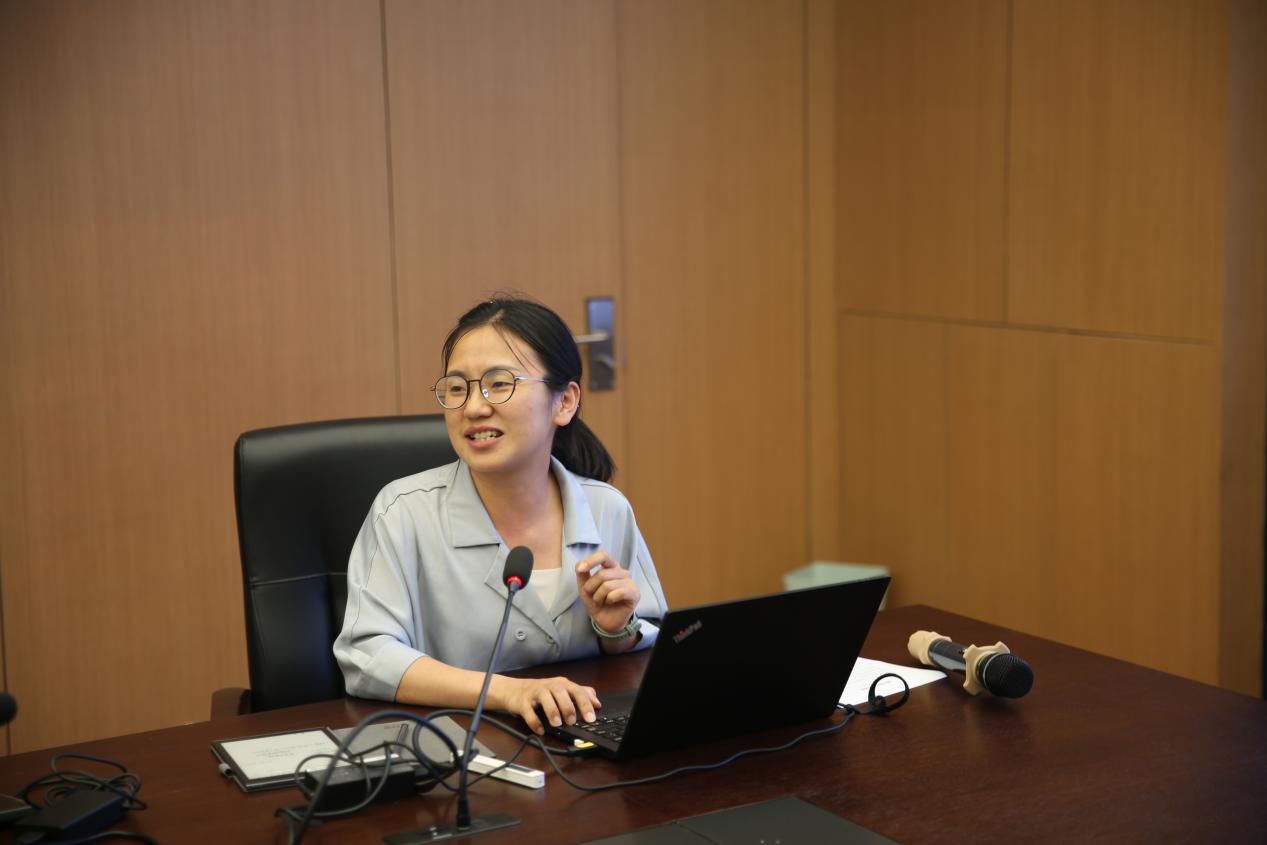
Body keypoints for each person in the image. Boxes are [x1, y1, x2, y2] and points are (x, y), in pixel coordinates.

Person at [334, 297, 668, 735]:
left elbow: (651, 646)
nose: (474, 408)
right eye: (458, 388)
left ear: (564, 402)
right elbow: (367, 656)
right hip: (460, 747)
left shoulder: (607, 507)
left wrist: (616, 631)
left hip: (585, 738)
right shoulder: (403, 512)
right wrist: (507, 692)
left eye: (499, 383)